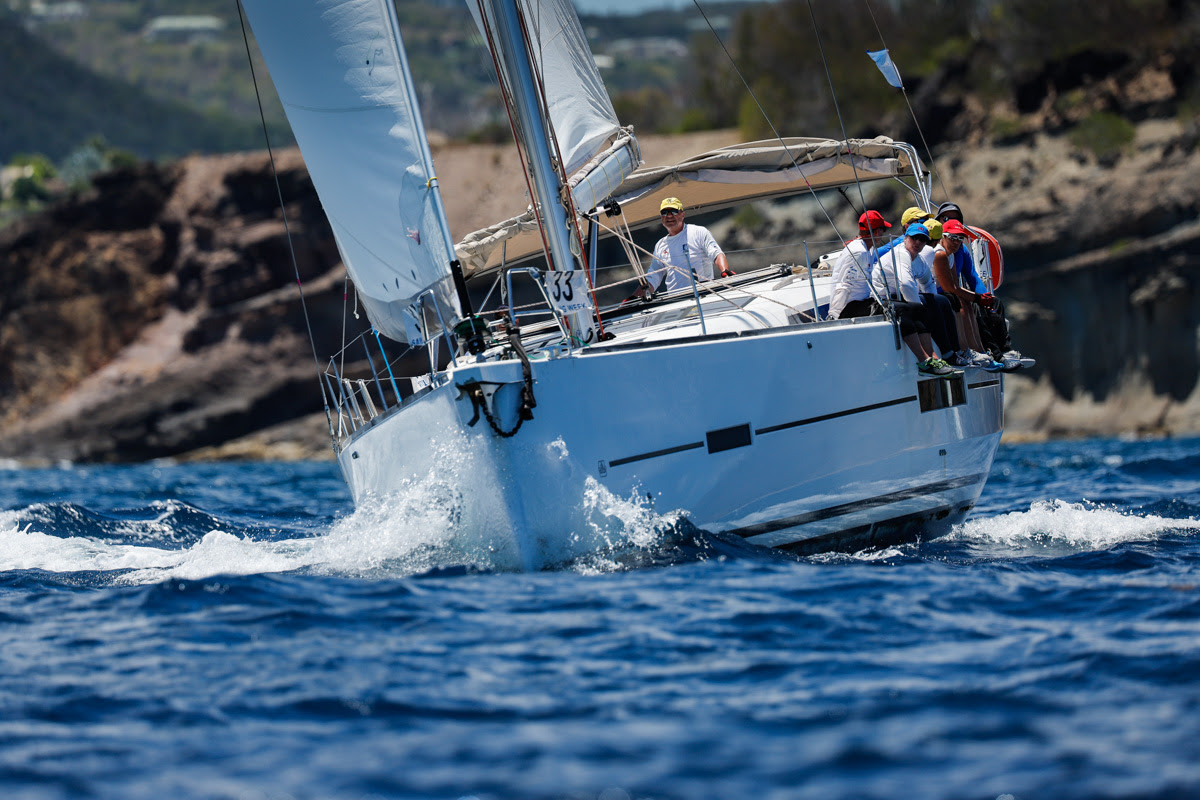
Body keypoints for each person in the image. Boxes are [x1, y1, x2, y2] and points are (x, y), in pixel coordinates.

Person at [936, 202, 1035, 370]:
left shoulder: (959, 249)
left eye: (956, 219)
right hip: (945, 295)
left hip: (953, 293)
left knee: (993, 303)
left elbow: (972, 275)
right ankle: (992, 354)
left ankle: (1006, 351)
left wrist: (985, 296)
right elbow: (950, 286)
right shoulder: (934, 247)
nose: (952, 221)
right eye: (946, 218)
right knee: (971, 305)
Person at [869, 222, 957, 376]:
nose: (918, 242)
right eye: (914, 238)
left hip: (901, 297)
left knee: (940, 301)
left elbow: (928, 284)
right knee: (912, 310)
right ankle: (925, 360)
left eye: (922, 240)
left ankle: (949, 352)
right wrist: (921, 309)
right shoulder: (901, 254)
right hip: (881, 299)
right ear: (905, 238)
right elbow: (906, 284)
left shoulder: (919, 260)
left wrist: (930, 303)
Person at [641, 197, 733, 295]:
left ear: (683, 214)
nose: (669, 216)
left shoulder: (699, 232)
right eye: (664, 212)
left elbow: (716, 253)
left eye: (674, 211)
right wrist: (634, 296)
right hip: (675, 300)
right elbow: (654, 276)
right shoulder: (660, 245)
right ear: (661, 217)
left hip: (704, 294)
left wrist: (725, 271)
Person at [828, 210, 890, 320]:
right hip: (849, 309)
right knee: (897, 309)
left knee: (897, 305)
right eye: (883, 230)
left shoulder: (867, 249)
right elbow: (844, 285)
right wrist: (834, 315)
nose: (883, 234)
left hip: (862, 304)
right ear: (876, 232)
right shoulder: (858, 252)